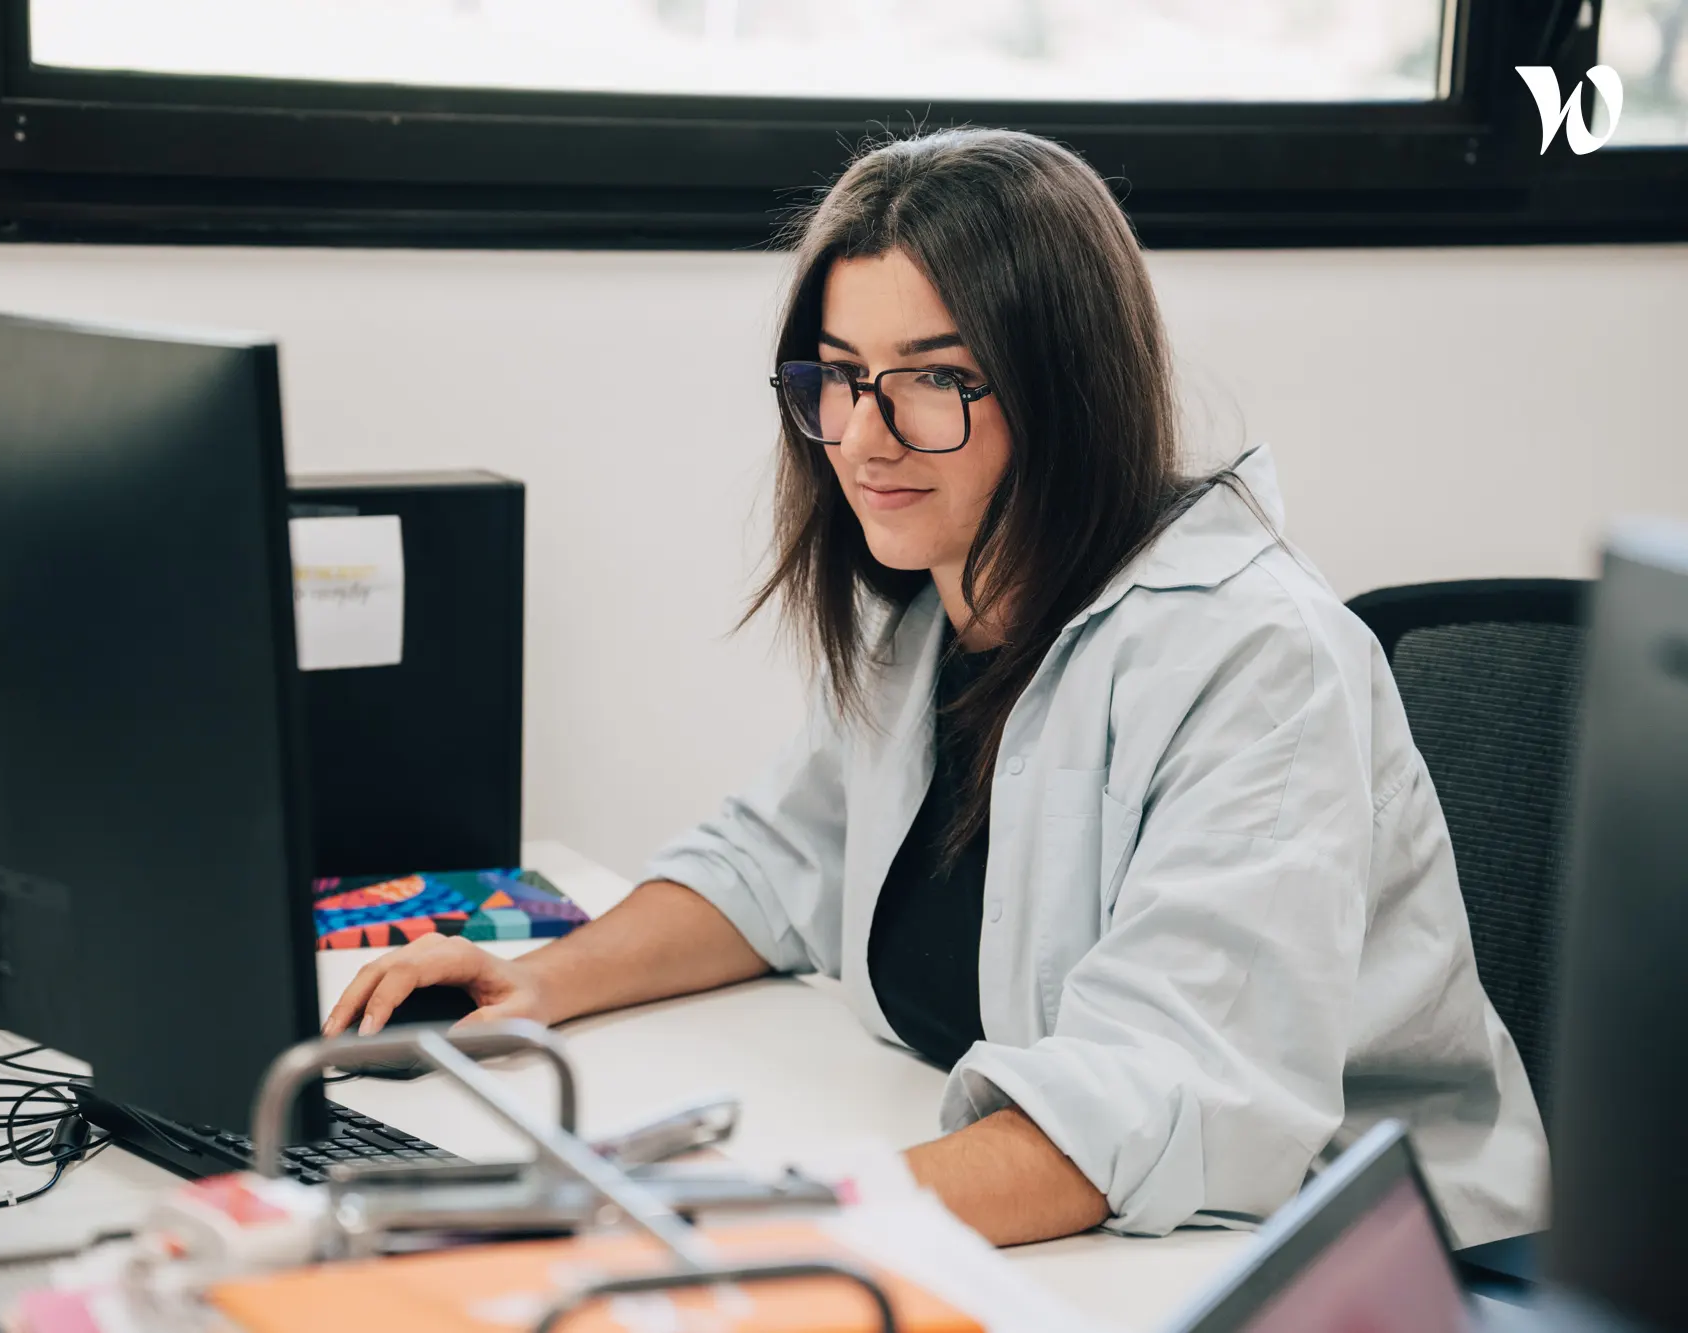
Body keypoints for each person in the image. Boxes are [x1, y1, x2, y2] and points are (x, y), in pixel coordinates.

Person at [324, 128, 1547, 1249]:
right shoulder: (934, 602)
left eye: (932, 378)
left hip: (1340, 1254)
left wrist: (743, 1225)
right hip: (1086, 1236)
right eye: (838, 375)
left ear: (1066, 390)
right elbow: (777, 861)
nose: (863, 436)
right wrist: (539, 983)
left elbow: (1158, 1099)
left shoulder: (1256, 659)